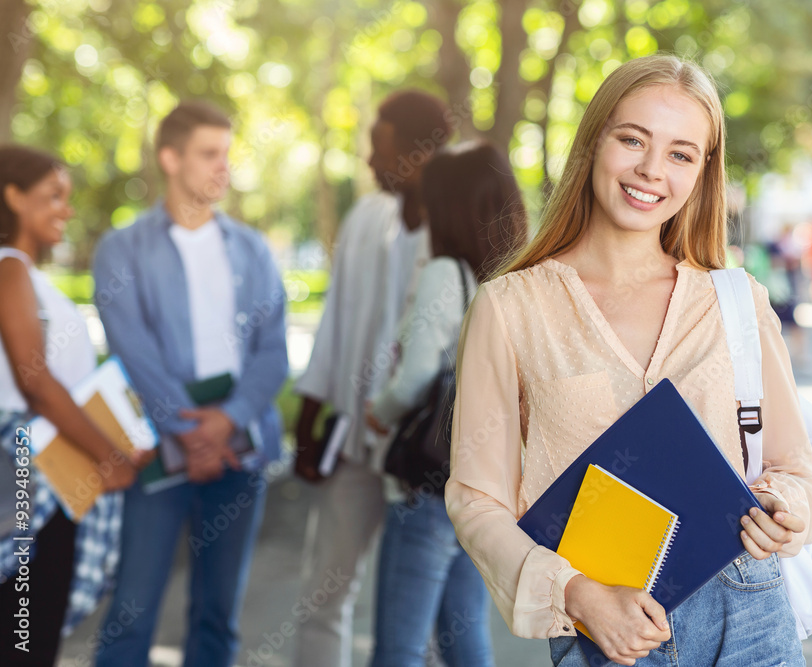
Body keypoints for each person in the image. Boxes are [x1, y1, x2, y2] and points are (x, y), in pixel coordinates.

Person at [445, 54, 812, 667]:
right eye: (632, 139)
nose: (651, 170)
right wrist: (575, 595)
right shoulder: (510, 308)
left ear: (703, 172)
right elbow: (476, 498)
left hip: (749, 610)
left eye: (681, 153)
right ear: (595, 142)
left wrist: (789, 511)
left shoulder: (737, 303)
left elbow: (796, 467)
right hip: (602, 632)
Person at [91, 101, 288, 667]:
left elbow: (273, 352)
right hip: (156, 448)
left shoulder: (252, 249)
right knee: (131, 612)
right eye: (208, 154)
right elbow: (134, 352)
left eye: (227, 154)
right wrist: (188, 434)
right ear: (170, 158)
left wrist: (226, 422)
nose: (222, 168)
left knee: (217, 617)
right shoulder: (121, 249)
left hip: (239, 450)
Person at [292, 90, 454, 667]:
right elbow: (334, 323)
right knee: (325, 593)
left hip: (422, 461)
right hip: (356, 449)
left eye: (377, 148)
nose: (367, 161)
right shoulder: (365, 218)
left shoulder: (456, 226)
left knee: (426, 623)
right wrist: (310, 420)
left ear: (417, 151)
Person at [365, 141, 527, 666]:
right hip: (489, 487)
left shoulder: (445, 275)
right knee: (463, 638)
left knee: (399, 646)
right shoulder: (519, 280)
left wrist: (379, 411)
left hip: (430, 487)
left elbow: (415, 378)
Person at [0, 146, 150, 666]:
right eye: (52, 196)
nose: (65, 208)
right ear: (12, 196)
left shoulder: (25, 274)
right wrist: (110, 457)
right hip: (27, 474)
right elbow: (37, 383)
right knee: (24, 637)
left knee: (29, 630)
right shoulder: (10, 269)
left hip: (46, 472)